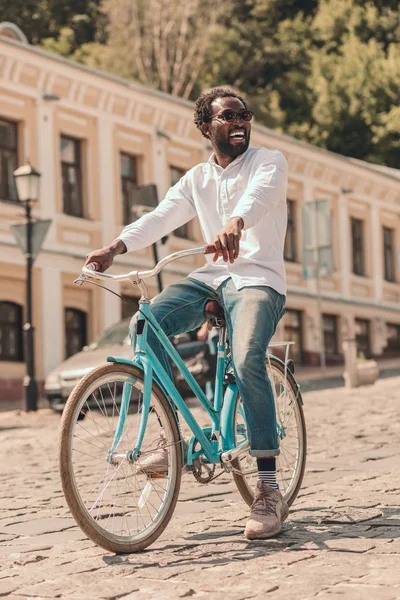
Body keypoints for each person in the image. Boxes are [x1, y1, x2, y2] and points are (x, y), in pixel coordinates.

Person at [85, 88, 288, 540]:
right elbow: (161, 217)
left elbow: (259, 197)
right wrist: (115, 247)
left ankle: (269, 488)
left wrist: (236, 223)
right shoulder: (196, 178)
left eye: (244, 114)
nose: (239, 121)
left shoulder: (269, 161)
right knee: (145, 324)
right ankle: (171, 434)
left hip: (258, 280)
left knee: (246, 357)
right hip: (211, 276)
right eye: (227, 116)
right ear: (205, 128)